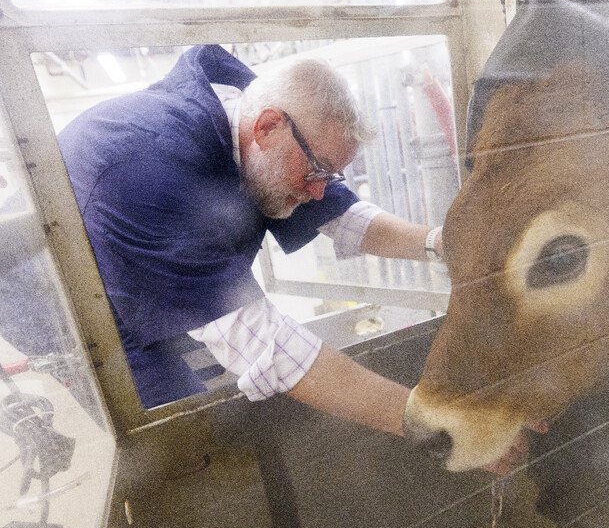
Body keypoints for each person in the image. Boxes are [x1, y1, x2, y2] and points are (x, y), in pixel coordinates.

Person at [57, 44, 444, 440]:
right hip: (79, 307)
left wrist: (440, 243)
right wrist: (428, 425)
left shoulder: (255, 125)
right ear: (266, 127)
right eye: (317, 172)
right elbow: (266, 347)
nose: (316, 193)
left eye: (329, 177)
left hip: (153, 271)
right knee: (189, 443)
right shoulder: (143, 169)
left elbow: (342, 217)